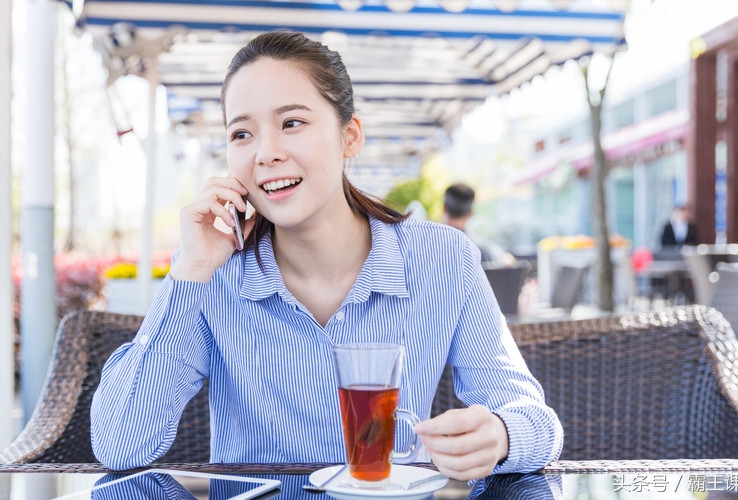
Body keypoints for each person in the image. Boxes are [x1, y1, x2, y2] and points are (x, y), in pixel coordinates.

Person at [90, 30, 562, 481]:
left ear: (350, 136)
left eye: (291, 122)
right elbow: (120, 444)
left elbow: (535, 422)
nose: (266, 153)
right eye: (241, 134)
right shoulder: (213, 274)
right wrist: (189, 272)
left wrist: (500, 435)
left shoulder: (443, 259)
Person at [442, 183, 515, 266]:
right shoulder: (482, 248)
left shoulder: (431, 247)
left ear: (444, 208)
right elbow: (508, 260)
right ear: (471, 213)